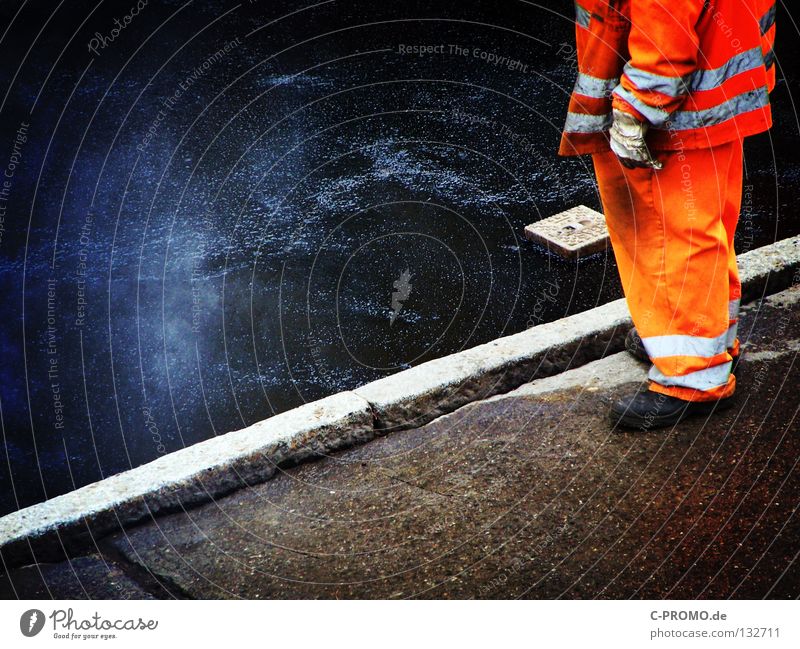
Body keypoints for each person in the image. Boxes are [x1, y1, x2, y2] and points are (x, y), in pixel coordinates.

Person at [559, 0, 776, 429]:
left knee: (671, 235)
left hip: (677, 105)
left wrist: (638, 107)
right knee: (701, 228)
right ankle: (709, 350)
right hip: (709, 91)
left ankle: (691, 379)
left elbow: (667, 17)